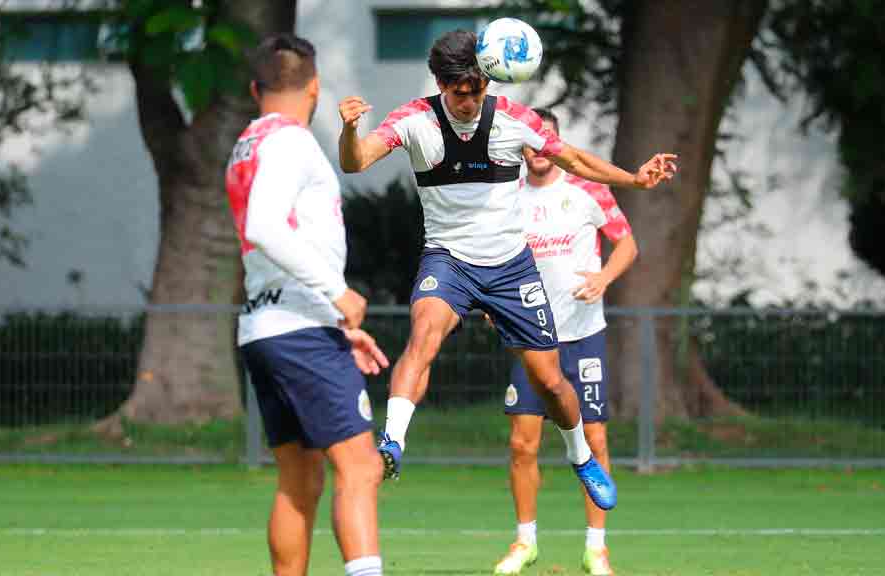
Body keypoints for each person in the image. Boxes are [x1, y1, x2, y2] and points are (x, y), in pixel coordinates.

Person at [337, 29, 675, 514]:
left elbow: (573, 158)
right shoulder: (413, 121)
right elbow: (357, 161)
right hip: (448, 259)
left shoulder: (514, 119)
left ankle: (581, 458)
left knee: (551, 382)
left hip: (512, 267)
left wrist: (635, 179)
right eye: (460, 93)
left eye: (478, 90)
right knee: (424, 336)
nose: (471, 101)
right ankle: (391, 443)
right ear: (440, 83)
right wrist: (349, 130)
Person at [225, 34, 389, 576]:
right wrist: (335, 292)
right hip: (298, 327)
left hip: (266, 325)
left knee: (300, 480)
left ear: (255, 89)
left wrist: (335, 319)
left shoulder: (248, 143)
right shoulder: (291, 143)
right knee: (361, 467)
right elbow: (266, 227)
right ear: (314, 87)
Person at [493, 109, 636, 576]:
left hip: (583, 335)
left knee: (594, 438)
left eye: (546, 140)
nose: (537, 150)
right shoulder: (506, 200)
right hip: (531, 338)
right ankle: (524, 542)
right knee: (522, 444)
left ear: (557, 143)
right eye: (530, 142)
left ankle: (597, 548)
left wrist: (604, 278)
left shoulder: (588, 189)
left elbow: (627, 244)